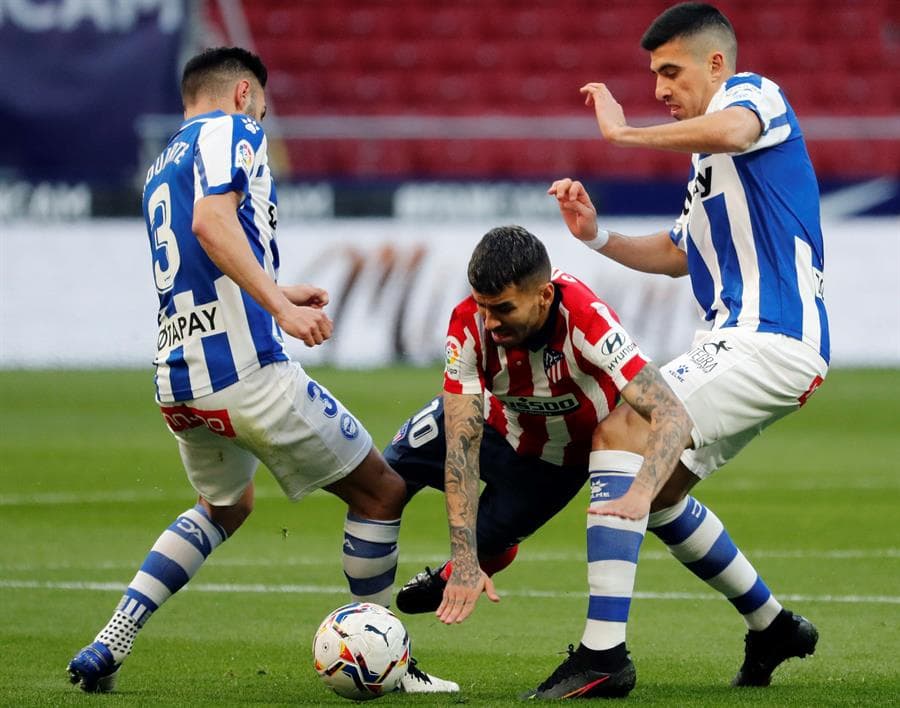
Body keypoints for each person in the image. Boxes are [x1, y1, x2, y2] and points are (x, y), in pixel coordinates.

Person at [65, 47, 456, 696]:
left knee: (225, 505)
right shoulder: (234, 130)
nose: (264, 120)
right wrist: (276, 307)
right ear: (243, 92)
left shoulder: (162, 163)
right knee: (381, 492)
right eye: (264, 107)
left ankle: (112, 637)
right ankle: (390, 664)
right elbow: (212, 222)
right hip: (245, 372)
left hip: (178, 376)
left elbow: (199, 255)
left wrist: (275, 291)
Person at [543, 0, 829, 695]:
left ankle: (602, 657)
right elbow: (679, 252)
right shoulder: (710, 159)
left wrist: (622, 133)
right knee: (662, 489)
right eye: (653, 76)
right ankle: (773, 626)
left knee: (625, 426)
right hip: (745, 342)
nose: (659, 89)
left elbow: (735, 128)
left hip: (770, 338)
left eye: (670, 72)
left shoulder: (753, 96)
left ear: (716, 63)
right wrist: (596, 237)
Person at [385, 224, 695, 698]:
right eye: (483, 306)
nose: (489, 321)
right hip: (491, 427)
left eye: (503, 309)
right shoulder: (468, 322)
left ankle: (464, 566)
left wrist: (641, 492)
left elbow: (671, 412)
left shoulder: (588, 320)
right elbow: (462, 447)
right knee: (379, 481)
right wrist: (464, 558)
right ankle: (378, 632)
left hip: (553, 464)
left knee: (489, 542)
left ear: (544, 296)